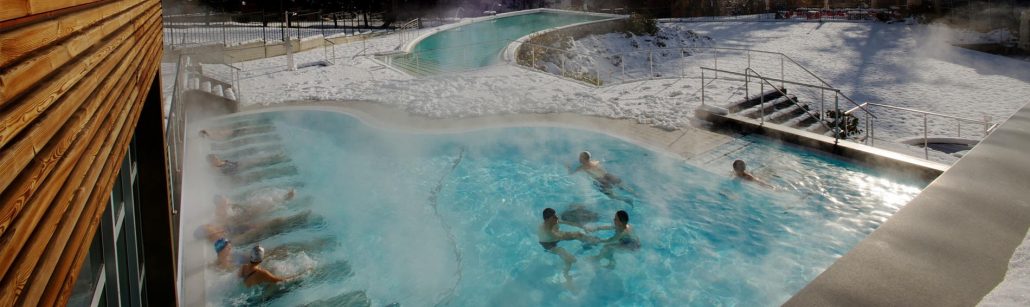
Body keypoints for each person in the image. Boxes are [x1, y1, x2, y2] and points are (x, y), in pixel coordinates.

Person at [537, 208, 597, 290]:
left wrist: (581, 226)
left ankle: (588, 243)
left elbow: (564, 222)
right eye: (554, 217)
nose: (556, 218)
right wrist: (576, 234)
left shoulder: (552, 222)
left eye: (555, 216)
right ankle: (566, 276)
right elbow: (563, 236)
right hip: (549, 245)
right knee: (570, 259)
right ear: (548, 219)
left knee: (579, 235)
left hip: (555, 238)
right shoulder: (548, 232)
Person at [205, 209, 322, 245]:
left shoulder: (224, 234)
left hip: (260, 230)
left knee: (280, 222)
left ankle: (304, 219)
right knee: (282, 225)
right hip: (261, 232)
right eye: (212, 229)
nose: (215, 228)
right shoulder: (226, 242)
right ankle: (305, 220)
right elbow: (246, 237)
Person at [569, 151, 633, 203]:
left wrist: (568, 168)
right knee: (624, 186)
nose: (579, 158)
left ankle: (625, 200)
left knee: (612, 196)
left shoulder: (582, 168)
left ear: (583, 159)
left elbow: (572, 174)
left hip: (601, 181)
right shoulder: (595, 162)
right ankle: (635, 194)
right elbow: (599, 161)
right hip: (608, 175)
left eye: (580, 157)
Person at [239, 246, 308, 288]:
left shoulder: (243, 267)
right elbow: (280, 281)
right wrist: (301, 275)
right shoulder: (262, 273)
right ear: (261, 259)